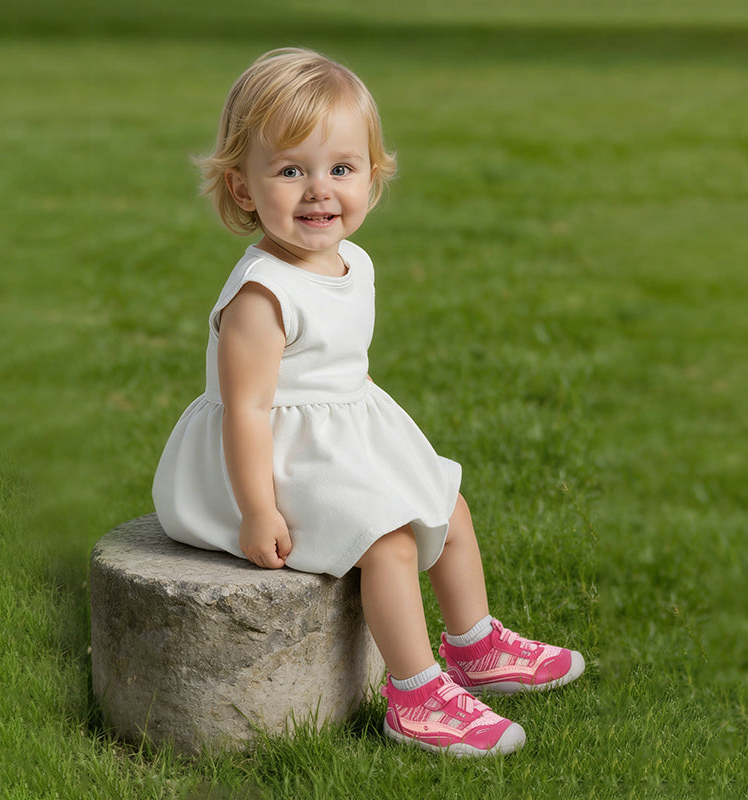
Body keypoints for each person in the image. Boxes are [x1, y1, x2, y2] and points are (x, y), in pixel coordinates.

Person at [153, 47, 585, 758]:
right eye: (290, 171)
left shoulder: (353, 262)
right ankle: (415, 696)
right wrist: (258, 510)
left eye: (341, 169)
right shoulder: (262, 296)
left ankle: (474, 645)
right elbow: (246, 411)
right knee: (387, 540)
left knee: (446, 503)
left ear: (372, 177)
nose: (318, 191)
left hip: (338, 431)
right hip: (262, 460)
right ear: (242, 187)